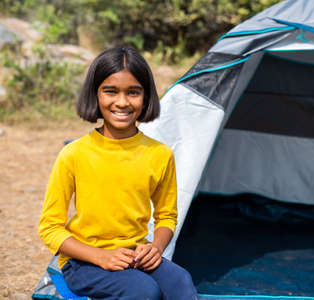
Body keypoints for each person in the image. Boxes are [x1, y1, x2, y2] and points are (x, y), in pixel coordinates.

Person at [38, 47, 198, 300]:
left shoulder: (160, 154)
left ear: (146, 97)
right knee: (143, 291)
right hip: (83, 261)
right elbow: (50, 228)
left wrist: (155, 249)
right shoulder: (74, 154)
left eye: (133, 92)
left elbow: (167, 216)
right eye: (111, 91)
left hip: (135, 254)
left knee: (181, 282)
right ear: (95, 95)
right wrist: (99, 256)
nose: (122, 102)